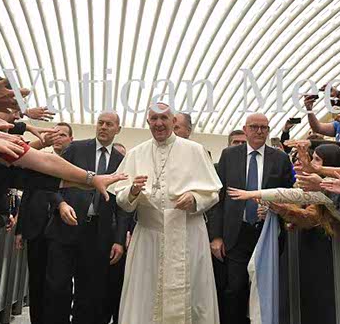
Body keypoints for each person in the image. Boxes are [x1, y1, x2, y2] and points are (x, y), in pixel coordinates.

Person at [111, 103, 222, 324]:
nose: (159, 123)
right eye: (154, 119)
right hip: (149, 238)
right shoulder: (135, 154)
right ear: (148, 122)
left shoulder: (195, 151)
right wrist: (133, 191)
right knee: (146, 294)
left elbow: (213, 193)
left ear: (173, 121)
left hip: (189, 234)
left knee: (193, 294)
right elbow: (121, 200)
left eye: (164, 118)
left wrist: (195, 199)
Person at [208, 113, 293, 324]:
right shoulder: (229, 155)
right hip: (235, 234)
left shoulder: (280, 158)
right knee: (235, 289)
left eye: (264, 127)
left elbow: (288, 194)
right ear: (245, 130)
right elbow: (218, 199)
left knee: (264, 289)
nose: (259, 131)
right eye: (254, 127)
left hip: (267, 233)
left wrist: (274, 209)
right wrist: (216, 236)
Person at [44, 111, 129, 324]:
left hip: (98, 235)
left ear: (118, 129)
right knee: (57, 287)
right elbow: (51, 181)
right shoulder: (76, 149)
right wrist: (61, 204)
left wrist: (119, 240)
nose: (103, 127)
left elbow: (123, 205)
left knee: (89, 292)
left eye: (109, 124)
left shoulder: (123, 161)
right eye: (100, 123)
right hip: (66, 227)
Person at [15, 122, 73, 324]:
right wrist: (20, 230)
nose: (58, 138)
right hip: (36, 229)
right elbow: (27, 195)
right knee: (37, 280)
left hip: (63, 230)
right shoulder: (39, 161)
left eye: (62, 135)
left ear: (71, 139)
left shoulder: (75, 165)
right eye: (55, 134)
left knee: (59, 282)